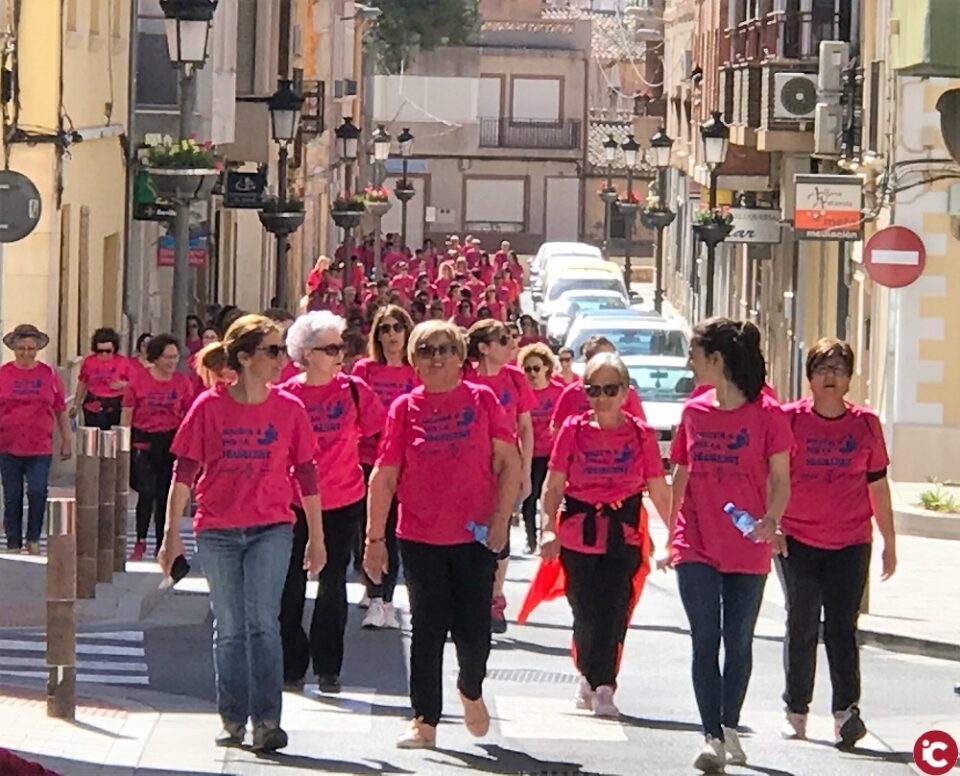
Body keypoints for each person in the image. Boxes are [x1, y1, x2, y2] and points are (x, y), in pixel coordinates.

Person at [158, 314, 325, 753]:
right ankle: (233, 717)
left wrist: (318, 537)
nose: (281, 360)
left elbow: (307, 475)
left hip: (272, 527)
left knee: (262, 624)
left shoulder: (290, 409)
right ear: (246, 357)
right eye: (273, 351)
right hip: (217, 530)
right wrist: (171, 534)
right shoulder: (209, 408)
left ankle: (267, 720)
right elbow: (184, 473)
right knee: (229, 627)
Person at [364, 320, 522, 749]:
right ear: (414, 361)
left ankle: (470, 688)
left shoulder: (483, 400)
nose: (437, 357)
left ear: (461, 357)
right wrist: (373, 540)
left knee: (474, 631)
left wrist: (501, 520)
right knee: (427, 628)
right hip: (419, 535)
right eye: (427, 350)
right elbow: (385, 475)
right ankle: (424, 720)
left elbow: (509, 463)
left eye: (446, 349)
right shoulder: (404, 408)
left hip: (474, 537)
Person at [665, 317, 792, 773]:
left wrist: (771, 519)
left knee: (738, 641)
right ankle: (711, 736)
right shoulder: (693, 412)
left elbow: (781, 479)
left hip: (747, 542)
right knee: (705, 639)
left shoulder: (769, 415)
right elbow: (680, 471)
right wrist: (670, 535)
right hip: (695, 540)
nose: (690, 363)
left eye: (695, 355)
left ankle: (730, 721)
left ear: (716, 360)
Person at [779, 338, 896, 747]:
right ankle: (796, 709)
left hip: (850, 540)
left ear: (849, 379)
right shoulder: (789, 420)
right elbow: (771, 479)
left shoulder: (866, 425)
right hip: (798, 538)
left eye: (838, 369)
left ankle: (846, 711)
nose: (830, 377)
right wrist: (772, 525)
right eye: (823, 369)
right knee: (802, 621)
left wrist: (889, 541)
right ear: (809, 376)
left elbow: (877, 486)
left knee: (843, 627)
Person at [540, 352, 670, 717]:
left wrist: (676, 537)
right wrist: (548, 528)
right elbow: (553, 486)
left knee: (614, 610)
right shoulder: (574, 429)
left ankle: (604, 685)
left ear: (626, 392)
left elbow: (659, 489)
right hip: (578, 535)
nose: (601, 397)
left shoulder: (641, 434)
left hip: (622, 536)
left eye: (610, 389)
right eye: (593, 389)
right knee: (584, 610)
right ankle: (588, 673)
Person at [279, 312, 384, 693]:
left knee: (332, 582)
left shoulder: (355, 391)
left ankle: (328, 666)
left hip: (342, 498)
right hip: (292, 502)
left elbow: (379, 434)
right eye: (330, 348)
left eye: (341, 346)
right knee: (289, 585)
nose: (340, 354)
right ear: (305, 354)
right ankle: (292, 663)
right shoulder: (287, 394)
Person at [465, 320, 535, 634]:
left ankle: (494, 596)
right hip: (471, 467)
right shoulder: (465, 376)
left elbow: (526, 428)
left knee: (500, 528)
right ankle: (469, 597)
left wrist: (526, 471)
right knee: (469, 532)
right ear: (483, 347)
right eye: (503, 339)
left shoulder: (515, 379)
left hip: (505, 466)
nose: (511, 344)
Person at [351, 305, 418, 629]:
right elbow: (354, 412)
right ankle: (372, 588)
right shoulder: (365, 370)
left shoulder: (416, 371)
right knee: (367, 529)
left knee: (392, 532)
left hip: (405, 464)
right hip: (366, 460)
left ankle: (384, 600)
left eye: (397, 328)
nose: (392, 335)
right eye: (385, 329)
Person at [121, 334, 194, 561]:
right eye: (167, 357)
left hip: (170, 441)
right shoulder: (139, 380)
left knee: (165, 494)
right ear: (156, 358)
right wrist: (123, 444)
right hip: (143, 439)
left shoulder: (182, 382)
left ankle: (163, 541)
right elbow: (127, 413)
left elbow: (189, 415)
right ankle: (140, 540)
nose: (173, 362)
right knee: (147, 490)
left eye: (175, 357)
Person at [0, 324, 71, 554]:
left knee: (38, 491)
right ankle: (13, 541)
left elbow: (60, 409)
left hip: (40, 445)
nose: (26, 353)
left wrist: (66, 440)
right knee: (12, 495)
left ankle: (33, 538)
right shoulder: (3, 374)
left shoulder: (48, 374)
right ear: (14, 349)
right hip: (7, 445)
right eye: (21, 348)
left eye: (31, 348)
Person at [517, 343, 563, 554]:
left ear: (546, 367)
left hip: (554, 455)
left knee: (553, 496)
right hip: (530, 454)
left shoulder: (558, 392)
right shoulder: (522, 393)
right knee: (530, 496)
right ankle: (531, 538)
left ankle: (553, 533)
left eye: (536, 368)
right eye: (528, 369)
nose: (533, 373)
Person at [551, 336, 646, 429]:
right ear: (588, 362)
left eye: (613, 357)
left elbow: (641, 429)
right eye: (604, 358)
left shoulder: (626, 393)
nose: (610, 362)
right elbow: (557, 429)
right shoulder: (571, 393)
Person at [71, 328, 130, 430]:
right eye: (100, 351)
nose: (104, 354)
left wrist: (123, 384)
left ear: (114, 349)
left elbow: (135, 384)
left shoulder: (123, 362)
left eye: (108, 351)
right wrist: (76, 405)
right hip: (93, 403)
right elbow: (82, 383)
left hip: (115, 404)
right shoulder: (89, 362)